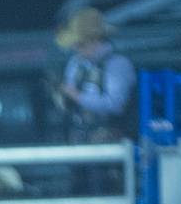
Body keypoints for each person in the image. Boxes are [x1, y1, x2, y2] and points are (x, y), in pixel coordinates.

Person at [53, 8, 135, 145]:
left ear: (96, 41)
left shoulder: (118, 65)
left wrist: (77, 96)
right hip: (78, 138)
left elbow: (115, 105)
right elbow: (69, 96)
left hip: (113, 141)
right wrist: (62, 98)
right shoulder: (75, 64)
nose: (76, 49)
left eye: (80, 44)